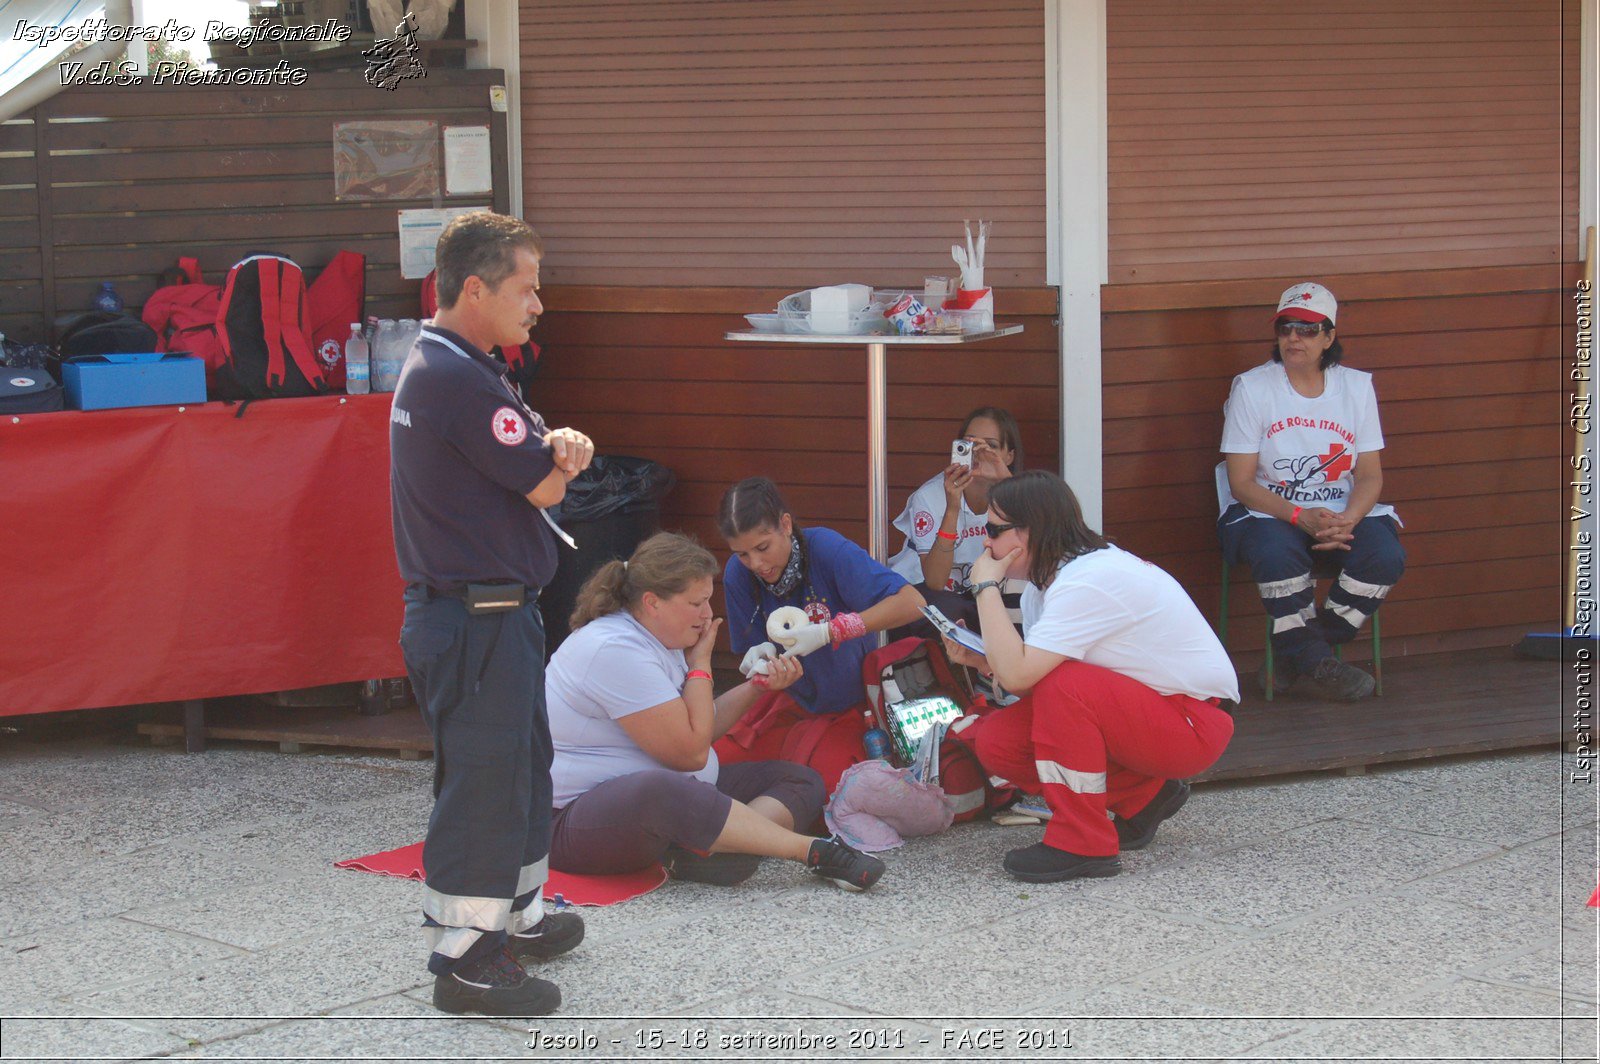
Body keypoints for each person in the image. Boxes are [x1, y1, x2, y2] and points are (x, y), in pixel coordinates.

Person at [390, 212, 594, 1017]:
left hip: (493, 616)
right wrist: (558, 458)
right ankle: (467, 958)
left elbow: (540, 454)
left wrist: (558, 449)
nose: (538, 303)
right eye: (526, 287)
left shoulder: (465, 366)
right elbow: (543, 480)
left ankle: (517, 916)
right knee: (482, 785)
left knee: (518, 771)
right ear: (473, 287)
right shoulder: (456, 376)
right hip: (473, 619)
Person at [545, 532, 886, 892]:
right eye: (697, 603)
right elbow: (691, 754)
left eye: (709, 600)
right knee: (662, 790)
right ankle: (814, 852)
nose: (708, 614)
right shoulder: (613, 648)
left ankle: (717, 849)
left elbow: (700, 727)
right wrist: (701, 664)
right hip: (572, 819)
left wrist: (758, 686)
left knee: (801, 780)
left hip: (676, 795)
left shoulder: (660, 633)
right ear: (652, 602)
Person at [940, 471, 1238, 883]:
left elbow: (1029, 677)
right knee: (998, 742)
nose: (985, 543)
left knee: (1067, 687)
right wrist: (982, 664)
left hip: (1194, 722)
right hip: (1154, 714)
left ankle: (1083, 843)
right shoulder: (1045, 585)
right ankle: (1145, 796)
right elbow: (1026, 678)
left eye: (993, 529)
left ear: (1031, 531)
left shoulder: (1088, 579)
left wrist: (986, 587)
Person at [1219, 282, 1405, 701]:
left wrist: (1347, 520)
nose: (1292, 338)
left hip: (1340, 510)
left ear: (1329, 337)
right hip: (1268, 509)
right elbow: (1241, 482)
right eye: (1285, 328)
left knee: (1385, 556)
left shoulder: (1355, 388)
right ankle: (1318, 661)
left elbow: (1371, 475)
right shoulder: (1253, 388)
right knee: (1275, 554)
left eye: (1306, 329)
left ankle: (1298, 652)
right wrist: (1301, 517)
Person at [714, 477, 927, 794]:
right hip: (785, 702)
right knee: (712, 766)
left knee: (830, 788)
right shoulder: (738, 572)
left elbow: (913, 603)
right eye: (742, 554)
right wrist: (758, 659)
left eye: (762, 548)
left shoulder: (827, 550)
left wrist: (835, 629)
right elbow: (752, 645)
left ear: (785, 525)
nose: (755, 564)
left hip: (851, 706)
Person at [888, 406, 1028, 633]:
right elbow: (934, 581)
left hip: (980, 591)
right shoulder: (930, 495)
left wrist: (1006, 481)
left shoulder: (1018, 495)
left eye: (990, 446)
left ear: (1009, 455)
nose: (979, 453)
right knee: (950, 610)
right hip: (927, 593)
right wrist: (952, 507)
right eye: (970, 444)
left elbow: (1045, 543)